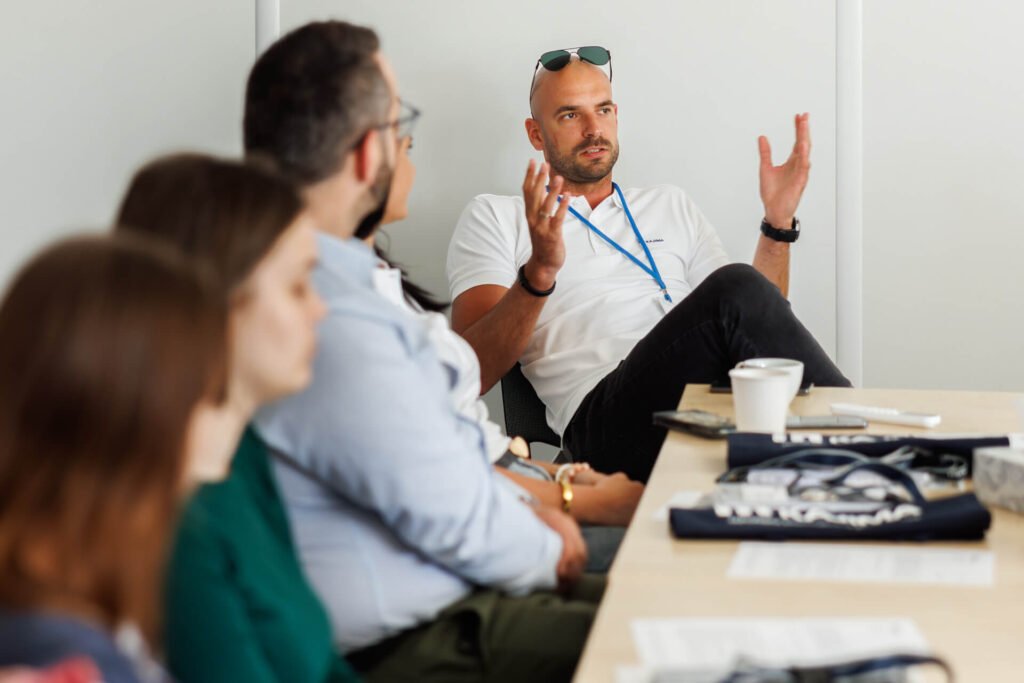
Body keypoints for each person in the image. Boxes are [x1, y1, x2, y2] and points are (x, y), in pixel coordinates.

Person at [243, 21, 602, 682]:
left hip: (463, 591)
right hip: (424, 636)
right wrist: (551, 535)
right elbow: (457, 515)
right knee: (696, 632)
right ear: (362, 156)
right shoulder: (328, 316)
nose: (407, 144)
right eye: (396, 124)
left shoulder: (339, 284)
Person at [447, 47, 852, 483]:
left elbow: (755, 320)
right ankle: (875, 441)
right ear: (536, 133)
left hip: (715, 401)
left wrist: (776, 226)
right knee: (736, 285)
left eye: (602, 110)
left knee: (741, 293)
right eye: (569, 115)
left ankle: (862, 455)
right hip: (606, 423)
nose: (592, 129)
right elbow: (469, 371)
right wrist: (538, 274)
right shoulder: (498, 216)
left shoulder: (669, 203)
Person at [113, 154, 359, 683]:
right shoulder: (175, 534)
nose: (320, 310)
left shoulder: (241, 451)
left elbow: (321, 662)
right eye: (298, 287)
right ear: (215, 299)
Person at [357, 131, 641, 571]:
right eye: (396, 126)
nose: (410, 139)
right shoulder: (341, 314)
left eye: (604, 109)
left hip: (522, 482)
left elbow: (472, 442)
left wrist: (568, 479)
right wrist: (574, 502)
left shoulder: (384, 287)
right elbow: (428, 478)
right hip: (491, 540)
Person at [0, 234, 229, 683]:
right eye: (211, 393)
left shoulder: (59, 604)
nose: (222, 414)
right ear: (149, 416)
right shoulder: (72, 658)